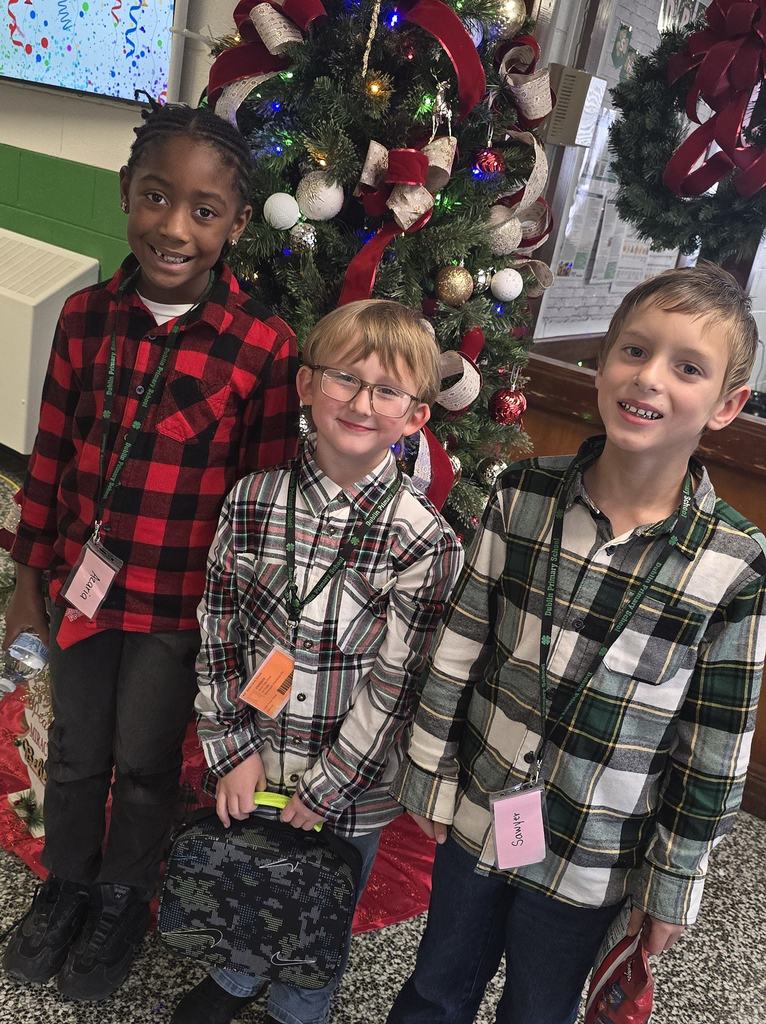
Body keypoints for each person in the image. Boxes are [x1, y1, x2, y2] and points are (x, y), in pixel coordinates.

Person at [387, 263, 766, 1024]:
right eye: (633, 350)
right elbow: (460, 643)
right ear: (602, 364)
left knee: (541, 1009)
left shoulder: (737, 566)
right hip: (479, 811)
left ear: (727, 404)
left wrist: (673, 883)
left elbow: (715, 751)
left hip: (593, 859)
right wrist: (429, 765)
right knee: (436, 988)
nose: (649, 378)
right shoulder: (519, 495)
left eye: (687, 367)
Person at [2, 101, 299, 1002]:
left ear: (236, 224)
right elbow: (50, 456)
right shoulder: (86, 318)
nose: (174, 227)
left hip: (182, 614)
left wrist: (243, 636)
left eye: (204, 210)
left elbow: (259, 510)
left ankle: (124, 895)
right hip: (82, 597)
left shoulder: (262, 349)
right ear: (126, 192)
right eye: (156, 198)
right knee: (76, 746)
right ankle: (70, 883)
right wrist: (26, 581)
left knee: (144, 762)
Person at [172, 299, 464, 1024]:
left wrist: (332, 786)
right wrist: (231, 748)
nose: (362, 402)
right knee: (247, 877)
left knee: (321, 902)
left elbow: (400, 684)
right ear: (306, 386)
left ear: (415, 418)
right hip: (256, 755)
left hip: (352, 788)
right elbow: (217, 636)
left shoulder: (426, 542)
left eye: (387, 390)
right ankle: (236, 976)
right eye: (344, 379)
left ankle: (302, 1003)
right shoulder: (250, 503)